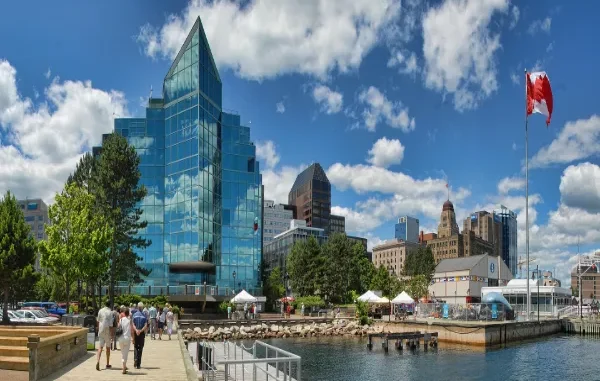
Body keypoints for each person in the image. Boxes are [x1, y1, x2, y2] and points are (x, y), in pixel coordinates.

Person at [96, 301, 114, 371]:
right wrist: (112, 335)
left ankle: (98, 361)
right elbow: (111, 325)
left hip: (101, 329)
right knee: (108, 348)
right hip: (107, 330)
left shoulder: (100, 310)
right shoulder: (110, 312)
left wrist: (98, 329)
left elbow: (98, 321)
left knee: (100, 347)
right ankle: (107, 363)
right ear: (110, 305)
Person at [132, 302, 148, 369]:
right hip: (141, 333)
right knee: (140, 348)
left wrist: (136, 330)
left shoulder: (134, 315)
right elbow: (145, 325)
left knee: (135, 346)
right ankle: (138, 364)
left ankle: (135, 358)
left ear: (138, 307)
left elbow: (133, 324)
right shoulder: (144, 315)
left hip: (136, 333)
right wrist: (141, 331)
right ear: (142, 307)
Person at [118, 307, 133, 374]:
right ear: (128, 313)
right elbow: (132, 331)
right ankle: (124, 368)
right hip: (127, 338)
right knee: (125, 354)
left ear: (124, 313)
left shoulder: (121, 320)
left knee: (123, 353)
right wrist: (133, 338)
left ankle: (124, 365)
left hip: (121, 338)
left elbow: (118, 327)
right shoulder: (129, 320)